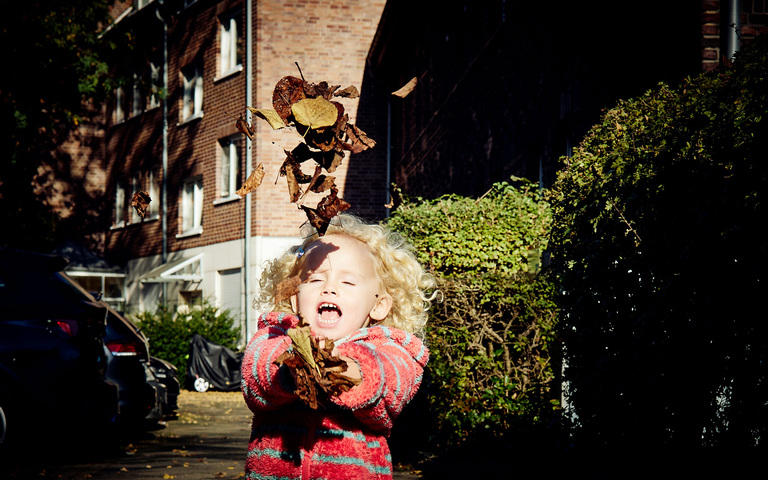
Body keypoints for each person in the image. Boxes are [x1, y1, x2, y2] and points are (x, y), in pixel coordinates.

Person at [241, 213, 436, 479]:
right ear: (296, 299)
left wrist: (347, 368)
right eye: (316, 279)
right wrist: (289, 367)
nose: (330, 289)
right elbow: (256, 375)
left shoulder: (387, 348)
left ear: (378, 306)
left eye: (348, 282)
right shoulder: (275, 336)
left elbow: (393, 382)